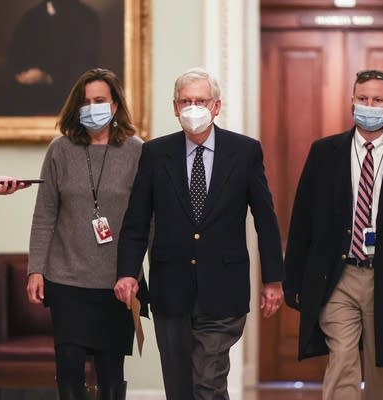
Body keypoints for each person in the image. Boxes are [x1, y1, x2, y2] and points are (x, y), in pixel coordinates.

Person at [114, 67, 284, 400]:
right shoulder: (154, 153)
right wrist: (127, 273)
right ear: (175, 107)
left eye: (201, 100)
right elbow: (136, 221)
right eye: (186, 101)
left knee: (208, 380)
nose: (194, 108)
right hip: (170, 288)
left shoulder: (245, 151)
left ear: (216, 106)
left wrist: (273, 280)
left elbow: (265, 218)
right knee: (179, 387)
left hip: (223, 287)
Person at [283, 69, 383, 400]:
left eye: (377, 100)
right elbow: (302, 219)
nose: (369, 106)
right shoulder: (325, 152)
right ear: (352, 101)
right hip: (338, 275)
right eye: (362, 99)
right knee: (342, 360)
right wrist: (293, 280)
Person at [27, 68, 142, 400]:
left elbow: (146, 219)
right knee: (69, 370)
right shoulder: (59, 151)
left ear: (116, 105)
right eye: (86, 102)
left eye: (100, 101)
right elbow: (44, 214)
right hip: (66, 281)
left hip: (117, 283)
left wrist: (133, 273)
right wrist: (36, 268)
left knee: (110, 374)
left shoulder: (137, 151)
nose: (93, 108)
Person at [0, 0, 99, 116]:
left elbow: (85, 63)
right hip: (29, 89)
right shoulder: (32, 16)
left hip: (67, 90)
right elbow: (16, 55)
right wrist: (22, 74)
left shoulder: (86, 16)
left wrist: (47, 77)